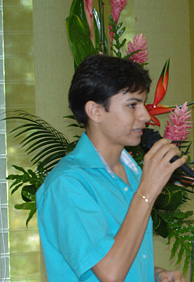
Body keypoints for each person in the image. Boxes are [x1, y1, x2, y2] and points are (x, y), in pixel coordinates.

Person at [36, 54, 186, 282]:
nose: (145, 116)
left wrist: (155, 275)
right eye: (132, 105)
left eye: (143, 104)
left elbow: (121, 256)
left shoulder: (133, 172)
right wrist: (147, 191)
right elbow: (110, 272)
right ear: (95, 111)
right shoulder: (66, 184)